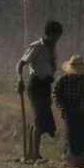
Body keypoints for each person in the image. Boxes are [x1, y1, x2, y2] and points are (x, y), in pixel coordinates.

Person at [16, 20, 63, 160]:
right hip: (35, 85)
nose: (56, 39)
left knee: (41, 118)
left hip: (46, 86)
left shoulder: (52, 49)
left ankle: (31, 152)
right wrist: (19, 79)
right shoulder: (37, 46)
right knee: (39, 118)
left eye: (58, 37)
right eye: (54, 36)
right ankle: (35, 154)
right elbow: (20, 63)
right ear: (48, 34)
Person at [53, 55, 84, 158]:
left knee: (82, 133)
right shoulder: (63, 80)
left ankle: (80, 153)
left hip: (81, 111)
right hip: (67, 111)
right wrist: (61, 106)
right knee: (71, 132)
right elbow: (55, 94)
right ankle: (70, 154)